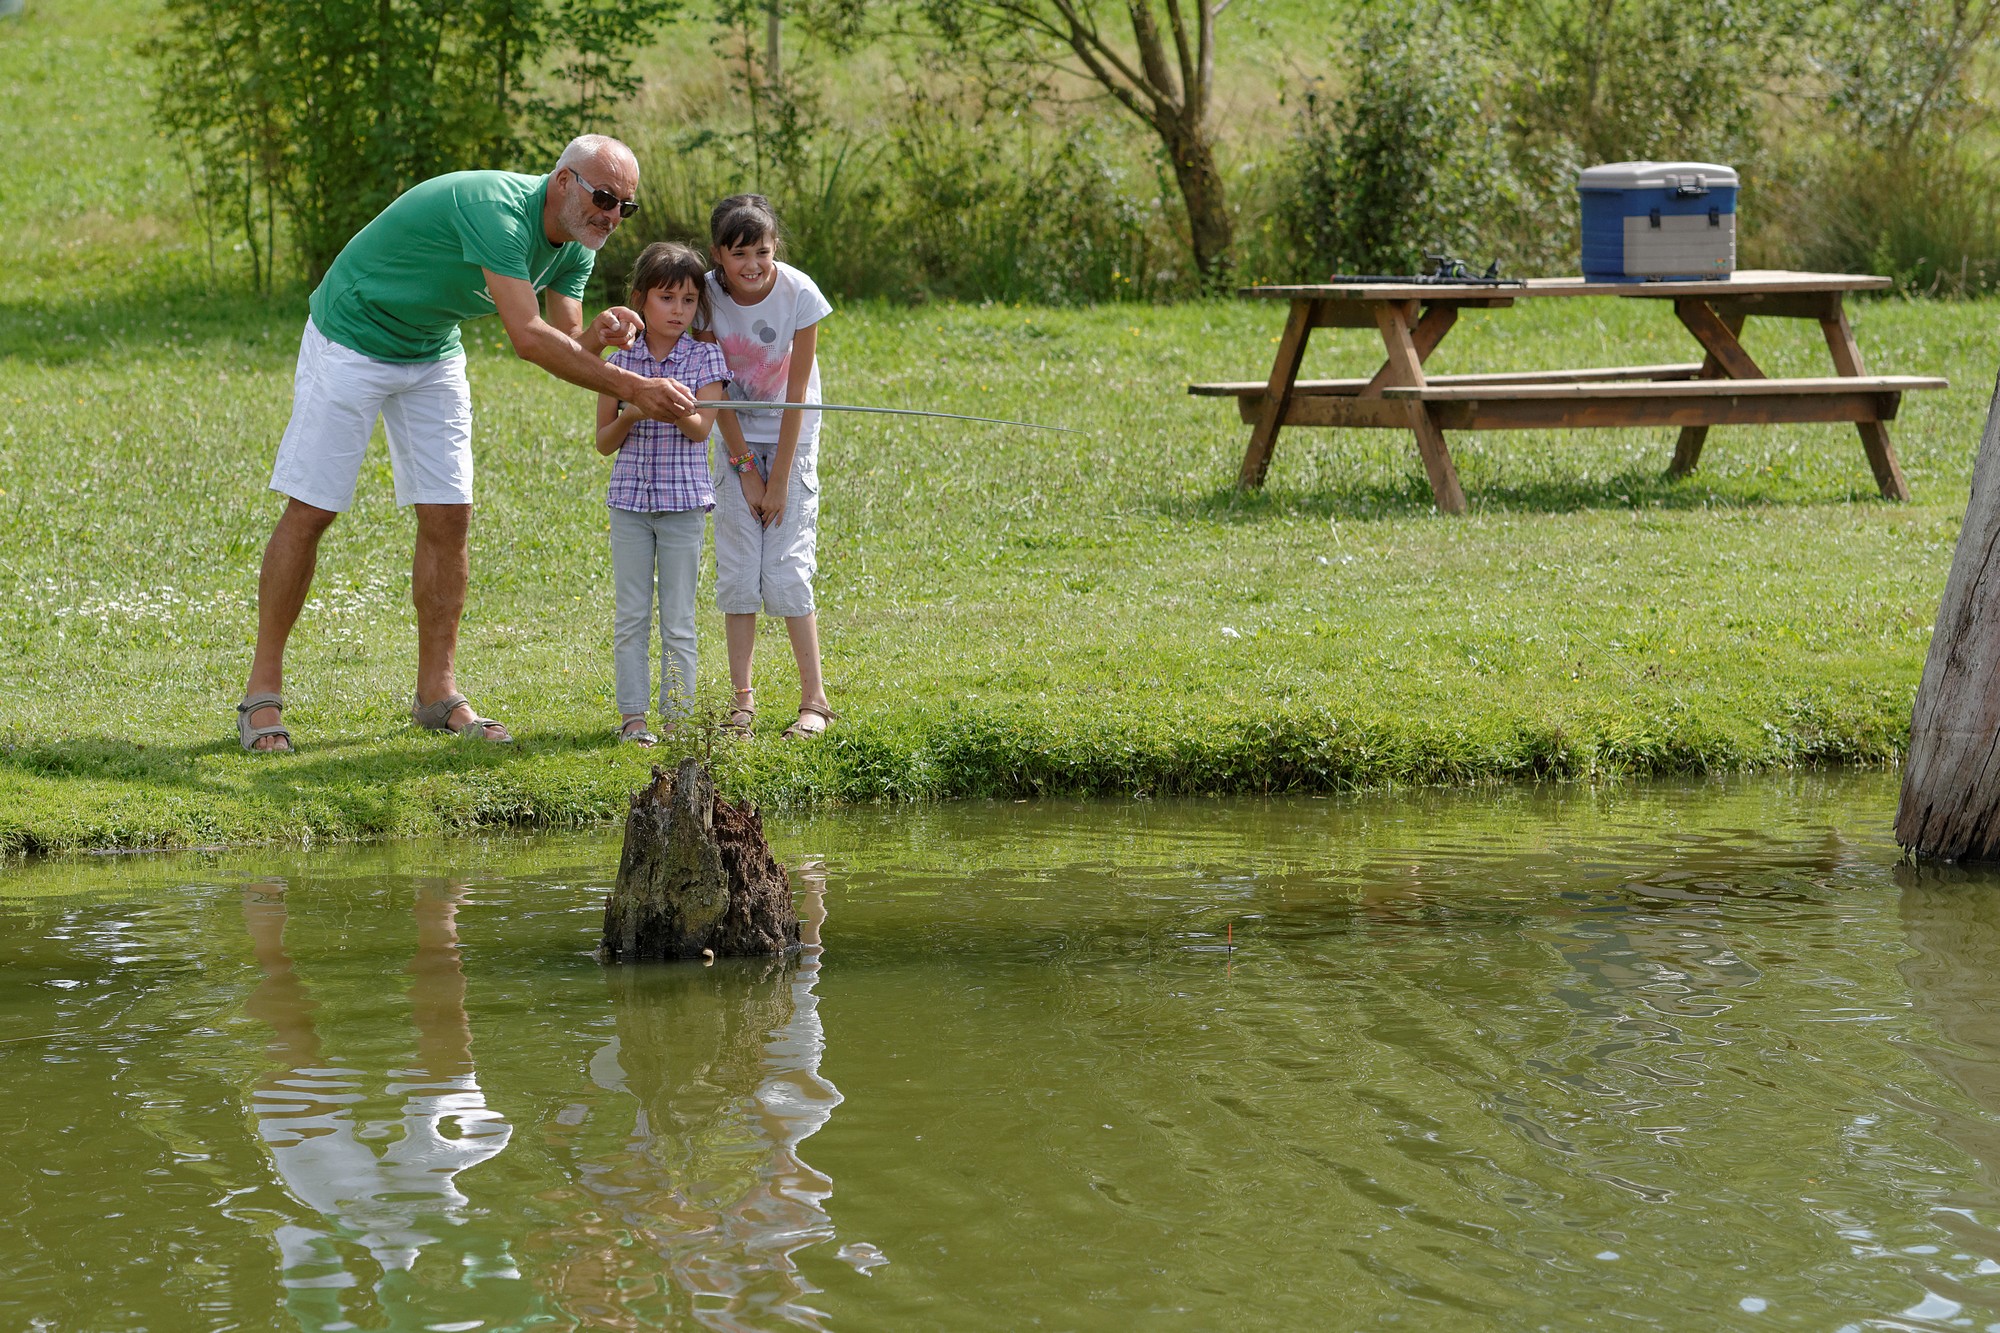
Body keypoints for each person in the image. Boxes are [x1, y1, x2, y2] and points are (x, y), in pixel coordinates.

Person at [236, 134, 697, 752]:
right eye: (605, 198)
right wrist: (636, 387)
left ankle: (437, 694)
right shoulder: (499, 213)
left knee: (449, 515)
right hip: (351, 331)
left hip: (429, 346)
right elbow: (528, 339)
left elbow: (565, 341)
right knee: (314, 508)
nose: (612, 217)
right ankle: (261, 695)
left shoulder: (577, 242)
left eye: (625, 208)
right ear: (563, 181)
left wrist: (600, 332)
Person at [702, 194, 835, 740]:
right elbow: (714, 390)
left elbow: (797, 396)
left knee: (786, 571)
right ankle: (742, 704)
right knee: (738, 573)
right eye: (739, 255)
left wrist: (778, 479)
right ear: (718, 256)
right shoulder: (706, 297)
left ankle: (815, 701)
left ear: (774, 247)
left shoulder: (800, 294)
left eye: (762, 250)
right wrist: (744, 470)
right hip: (732, 436)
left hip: (792, 439)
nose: (752, 265)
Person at [594, 242, 733, 746]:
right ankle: (634, 718)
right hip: (630, 505)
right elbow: (603, 442)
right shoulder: (617, 362)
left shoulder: (707, 358)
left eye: (690, 300)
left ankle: (678, 719)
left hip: (684, 507)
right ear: (641, 300)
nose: (678, 310)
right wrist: (633, 408)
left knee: (678, 619)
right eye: (667, 297)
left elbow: (701, 430)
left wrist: (671, 402)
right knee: (631, 615)